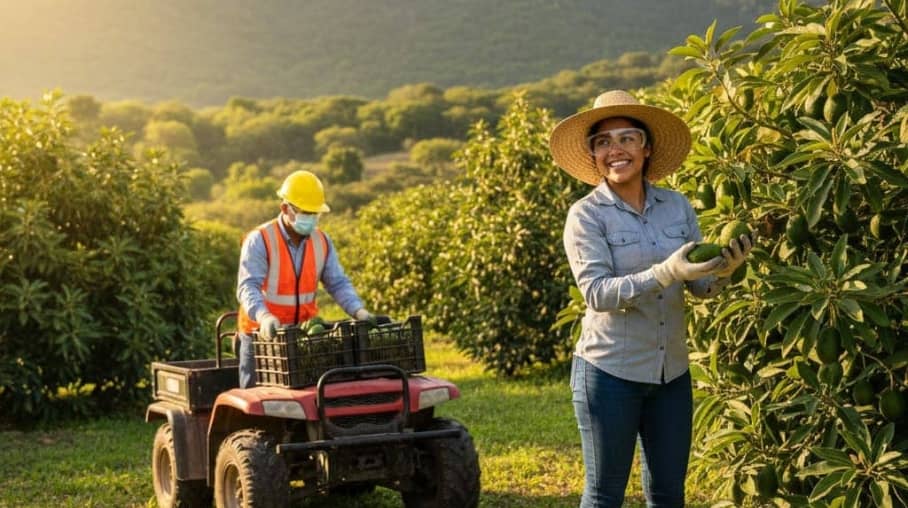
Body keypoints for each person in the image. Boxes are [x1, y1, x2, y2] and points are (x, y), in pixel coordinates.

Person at [549, 90, 753, 507]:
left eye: (626, 137)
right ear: (593, 156)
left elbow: (698, 287)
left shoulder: (676, 207)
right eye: (603, 142)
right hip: (609, 374)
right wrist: (666, 272)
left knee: (667, 495)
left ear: (646, 148)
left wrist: (723, 273)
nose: (615, 149)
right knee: (604, 495)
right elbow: (597, 293)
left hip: (670, 375)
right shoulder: (586, 215)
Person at [235, 170, 373, 389]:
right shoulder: (260, 239)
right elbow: (247, 287)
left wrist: (358, 311)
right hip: (261, 338)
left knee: (308, 404)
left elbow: (337, 282)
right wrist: (264, 316)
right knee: (258, 406)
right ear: (285, 209)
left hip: (304, 338)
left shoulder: (322, 241)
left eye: (314, 213)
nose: (310, 218)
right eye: (305, 212)